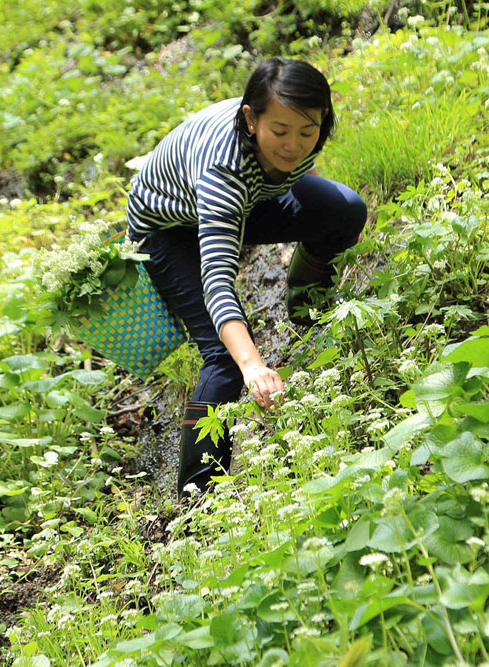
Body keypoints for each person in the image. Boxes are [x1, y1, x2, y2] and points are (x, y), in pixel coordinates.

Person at [125, 58, 367, 498]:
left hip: (247, 199)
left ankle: (307, 299)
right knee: (223, 356)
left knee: (344, 209)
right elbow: (218, 278)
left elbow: (299, 168)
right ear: (250, 120)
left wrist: (304, 193)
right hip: (169, 229)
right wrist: (253, 364)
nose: (293, 146)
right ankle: (197, 498)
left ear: (322, 120)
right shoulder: (223, 170)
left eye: (307, 132)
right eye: (280, 132)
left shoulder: (297, 129)